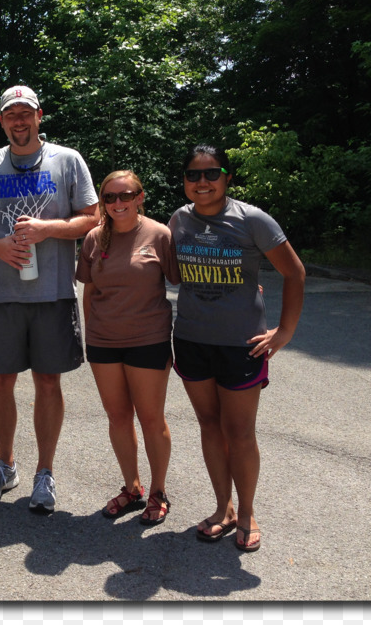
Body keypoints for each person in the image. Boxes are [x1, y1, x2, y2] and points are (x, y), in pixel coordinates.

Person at [0, 85, 99, 513]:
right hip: (2, 294)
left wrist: (47, 229)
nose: (19, 121)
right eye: (10, 115)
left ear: (40, 115)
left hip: (52, 291)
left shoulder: (67, 160)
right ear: (1, 121)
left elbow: (93, 218)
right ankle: (6, 464)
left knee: (48, 382)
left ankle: (45, 473)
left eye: (26, 113)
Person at [168, 144, 305, 552]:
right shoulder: (178, 220)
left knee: (240, 432)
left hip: (241, 344)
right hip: (192, 338)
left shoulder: (252, 220)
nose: (203, 181)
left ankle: (246, 513)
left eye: (212, 173)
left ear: (227, 177)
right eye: (194, 175)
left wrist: (284, 331)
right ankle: (223, 508)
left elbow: (294, 272)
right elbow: (170, 272)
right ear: (185, 181)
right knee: (210, 426)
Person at [75, 170, 180, 526]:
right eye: (109, 197)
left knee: (151, 419)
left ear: (140, 197)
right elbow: (89, 291)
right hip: (104, 343)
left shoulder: (160, 234)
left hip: (148, 340)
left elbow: (185, 281)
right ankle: (132, 488)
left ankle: (158, 491)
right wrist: (91, 334)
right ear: (102, 202)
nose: (117, 203)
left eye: (125, 195)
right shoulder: (93, 238)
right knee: (118, 418)